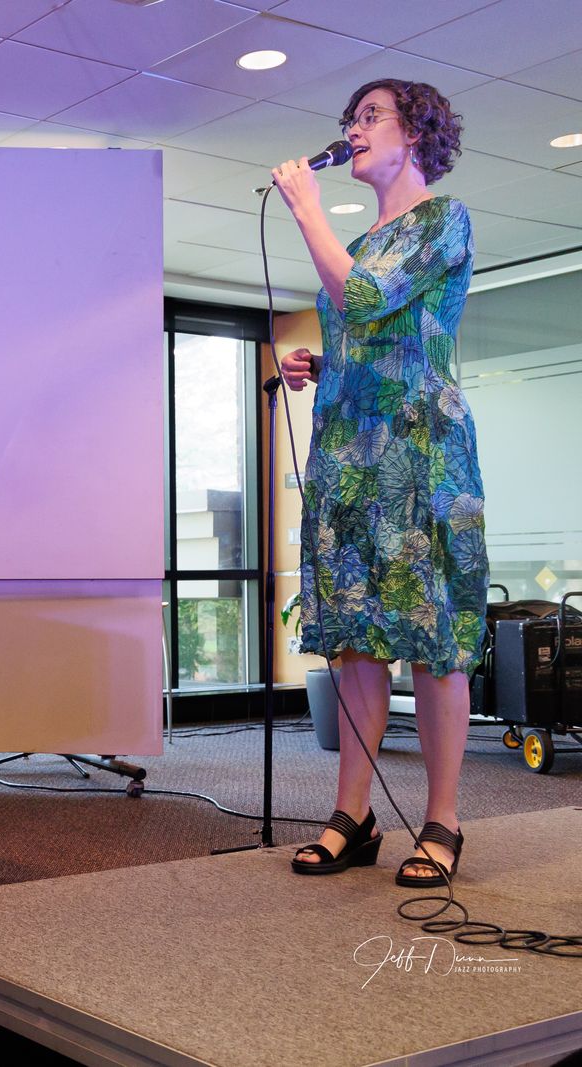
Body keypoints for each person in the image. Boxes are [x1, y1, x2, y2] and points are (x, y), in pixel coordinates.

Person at [273, 80, 485, 887]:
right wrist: (320, 363)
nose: (354, 130)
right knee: (357, 636)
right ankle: (352, 814)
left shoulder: (442, 219)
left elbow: (364, 298)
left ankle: (443, 819)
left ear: (417, 132)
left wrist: (306, 208)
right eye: (350, 118)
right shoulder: (362, 243)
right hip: (349, 457)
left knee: (433, 637)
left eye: (371, 116)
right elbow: (367, 328)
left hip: (420, 459)